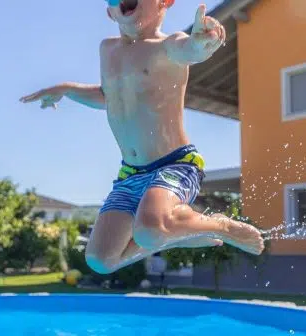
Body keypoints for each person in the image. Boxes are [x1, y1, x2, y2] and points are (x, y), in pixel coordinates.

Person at [20, 0, 264, 275]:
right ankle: (171, 232)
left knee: (150, 229)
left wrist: (204, 40)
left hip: (175, 165)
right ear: (110, 12)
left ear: (164, 3)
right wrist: (66, 89)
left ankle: (221, 225)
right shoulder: (108, 50)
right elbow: (109, 96)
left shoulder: (168, 46)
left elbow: (191, 50)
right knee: (101, 259)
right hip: (129, 175)